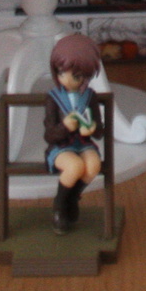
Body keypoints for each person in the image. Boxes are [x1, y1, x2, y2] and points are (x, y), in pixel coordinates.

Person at [45, 33, 106, 235]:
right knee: (75, 166)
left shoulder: (89, 97)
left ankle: (72, 198)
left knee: (93, 165)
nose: (67, 79)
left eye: (76, 75)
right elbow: (49, 135)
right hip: (61, 147)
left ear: (86, 76)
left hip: (83, 144)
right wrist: (65, 127)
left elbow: (99, 131)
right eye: (62, 72)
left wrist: (92, 128)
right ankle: (59, 205)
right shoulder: (54, 98)